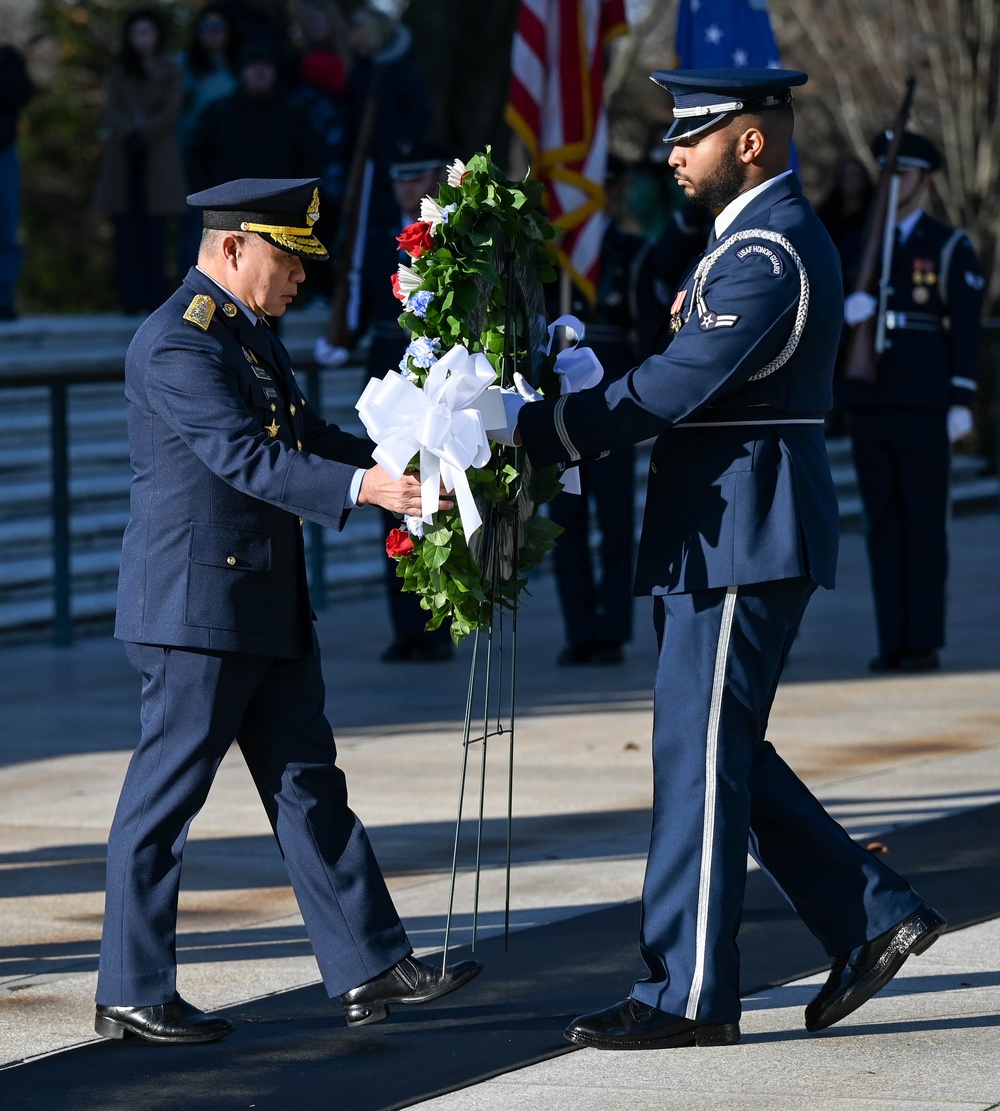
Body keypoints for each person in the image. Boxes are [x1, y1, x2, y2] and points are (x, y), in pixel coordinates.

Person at [491, 68, 946, 1050]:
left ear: (749, 140)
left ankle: (686, 993)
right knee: (712, 750)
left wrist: (538, 430)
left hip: (745, 525)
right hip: (727, 523)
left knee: (698, 756)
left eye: (690, 135)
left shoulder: (766, 248)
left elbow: (670, 386)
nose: (670, 153)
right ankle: (870, 913)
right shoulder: (746, 242)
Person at [95, 177, 480, 1045]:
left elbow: (299, 435)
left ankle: (369, 961)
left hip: (260, 598)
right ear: (232, 248)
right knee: (165, 801)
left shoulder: (247, 334)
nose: (302, 275)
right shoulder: (178, 344)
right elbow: (243, 457)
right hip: (197, 610)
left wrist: (409, 467)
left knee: (308, 785)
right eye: (289, 256)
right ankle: (131, 987)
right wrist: (365, 490)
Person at [842, 132, 984, 674]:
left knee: (923, 525)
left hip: (924, 405)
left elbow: (965, 329)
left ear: (924, 179)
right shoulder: (859, 246)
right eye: (887, 172)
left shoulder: (947, 246)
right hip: (871, 403)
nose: (892, 182)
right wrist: (845, 319)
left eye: (902, 173)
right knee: (882, 525)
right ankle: (892, 639)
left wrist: (961, 398)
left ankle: (922, 641)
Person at [344, 138, 454, 662]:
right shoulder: (374, 238)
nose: (406, 188)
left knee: (439, 497)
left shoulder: (453, 233)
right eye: (399, 179)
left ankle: (439, 621)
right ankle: (407, 626)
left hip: (438, 376)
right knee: (393, 498)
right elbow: (361, 303)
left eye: (416, 177)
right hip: (389, 376)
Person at [547, 157, 644, 667]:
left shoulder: (629, 253)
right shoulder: (552, 256)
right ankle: (579, 631)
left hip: (612, 407)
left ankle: (610, 631)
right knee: (565, 524)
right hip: (561, 412)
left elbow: (643, 336)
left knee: (613, 522)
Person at [92, 8, 188, 315]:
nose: (142, 40)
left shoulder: (171, 70)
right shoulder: (119, 71)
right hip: (124, 159)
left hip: (156, 159)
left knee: (155, 235)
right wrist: (128, 131)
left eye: (147, 32)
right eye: (136, 33)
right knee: (126, 233)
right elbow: (111, 110)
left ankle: (155, 299)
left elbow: (170, 113)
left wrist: (143, 130)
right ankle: (129, 299)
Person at [185, 40, 319, 194]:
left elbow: (311, 160)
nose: (260, 70)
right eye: (253, 64)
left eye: (266, 64)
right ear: (242, 70)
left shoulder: (295, 114)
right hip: (228, 207)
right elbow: (197, 158)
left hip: (282, 206)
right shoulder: (218, 112)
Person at [175, 4, 242, 270]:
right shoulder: (182, 67)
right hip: (191, 159)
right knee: (195, 229)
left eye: (219, 27)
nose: (213, 34)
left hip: (231, 160)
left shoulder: (240, 65)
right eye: (206, 27)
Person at [0, 42, 33, 322]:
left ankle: (4, 300)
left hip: (3, 153)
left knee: (6, 229)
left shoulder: (8, 57)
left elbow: (21, 94)